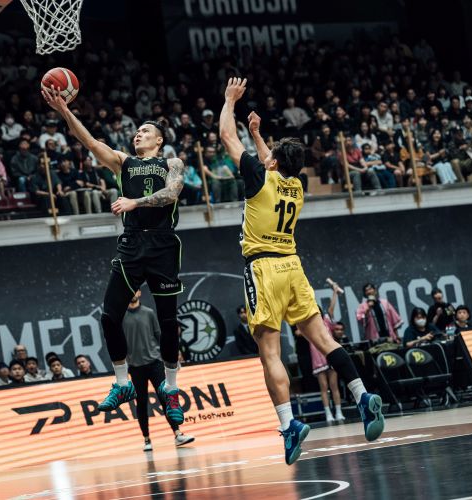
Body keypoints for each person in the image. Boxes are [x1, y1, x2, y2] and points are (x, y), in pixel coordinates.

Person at [219, 78, 384, 466]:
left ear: (273, 162)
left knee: (270, 353)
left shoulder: (260, 177)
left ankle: (289, 424)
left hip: (263, 269)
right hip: (293, 267)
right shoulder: (296, 185)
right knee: (324, 340)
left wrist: (230, 102)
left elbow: (226, 136)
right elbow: (273, 163)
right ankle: (361, 396)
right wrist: (257, 134)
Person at [43, 84, 185, 425]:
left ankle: (171, 389)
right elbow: (90, 143)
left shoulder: (172, 162)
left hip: (163, 244)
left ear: (159, 140)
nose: (138, 134)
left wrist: (135, 202)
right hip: (132, 243)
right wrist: (65, 111)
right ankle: (122, 383)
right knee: (109, 316)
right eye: (137, 131)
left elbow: (172, 193)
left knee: (168, 323)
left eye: (145, 131)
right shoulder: (124, 163)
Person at [123, 291, 195, 451]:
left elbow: (159, 336)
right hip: (135, 367)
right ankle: (146, 440)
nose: (132, 292)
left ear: (139, 293)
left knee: (165, 398)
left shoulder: (148, 313)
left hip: (155, 363)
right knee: (141, 403)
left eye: (135, 289)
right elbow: (119, 343)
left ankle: (178, 434)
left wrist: (171, 357)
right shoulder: (121, 317)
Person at [308, 286, 345, 423]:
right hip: (318, 359)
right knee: (324, 387)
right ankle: (328, 413)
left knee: (334, 385)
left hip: (330, 355)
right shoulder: (308, 326)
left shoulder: (327, 321)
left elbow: (331, 307)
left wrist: (335, 292)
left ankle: (339, 412)